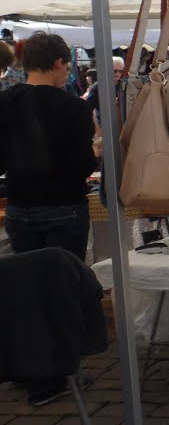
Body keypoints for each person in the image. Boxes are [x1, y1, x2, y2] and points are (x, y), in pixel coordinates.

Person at [0, 33, 98, 261]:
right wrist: (96, 151)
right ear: (57, 64)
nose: (67, 73)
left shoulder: (4, 103)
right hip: (63, 206)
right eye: (66, 67)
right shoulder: (74, 107)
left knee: (29, 285)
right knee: (64, 285)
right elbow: (83, 165)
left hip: (19, 206)